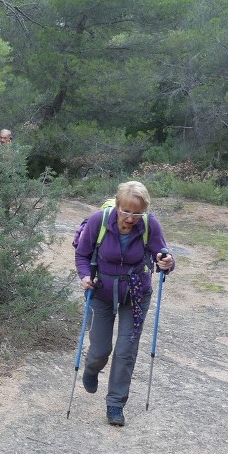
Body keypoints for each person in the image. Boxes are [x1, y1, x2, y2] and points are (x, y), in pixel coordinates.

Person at [74, 181, 175, 426]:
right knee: (100, 350)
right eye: (126, 211)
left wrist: (167, 262)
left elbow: (164, 255)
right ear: (117, 206)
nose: (131, 218)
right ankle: (91, 368)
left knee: (125, 351)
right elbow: (82, 255)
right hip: (101, 292)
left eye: (137, 213)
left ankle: (115, 404)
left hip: (136, 294)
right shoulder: (99, 221)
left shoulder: (149, 225)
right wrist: (85, 276)